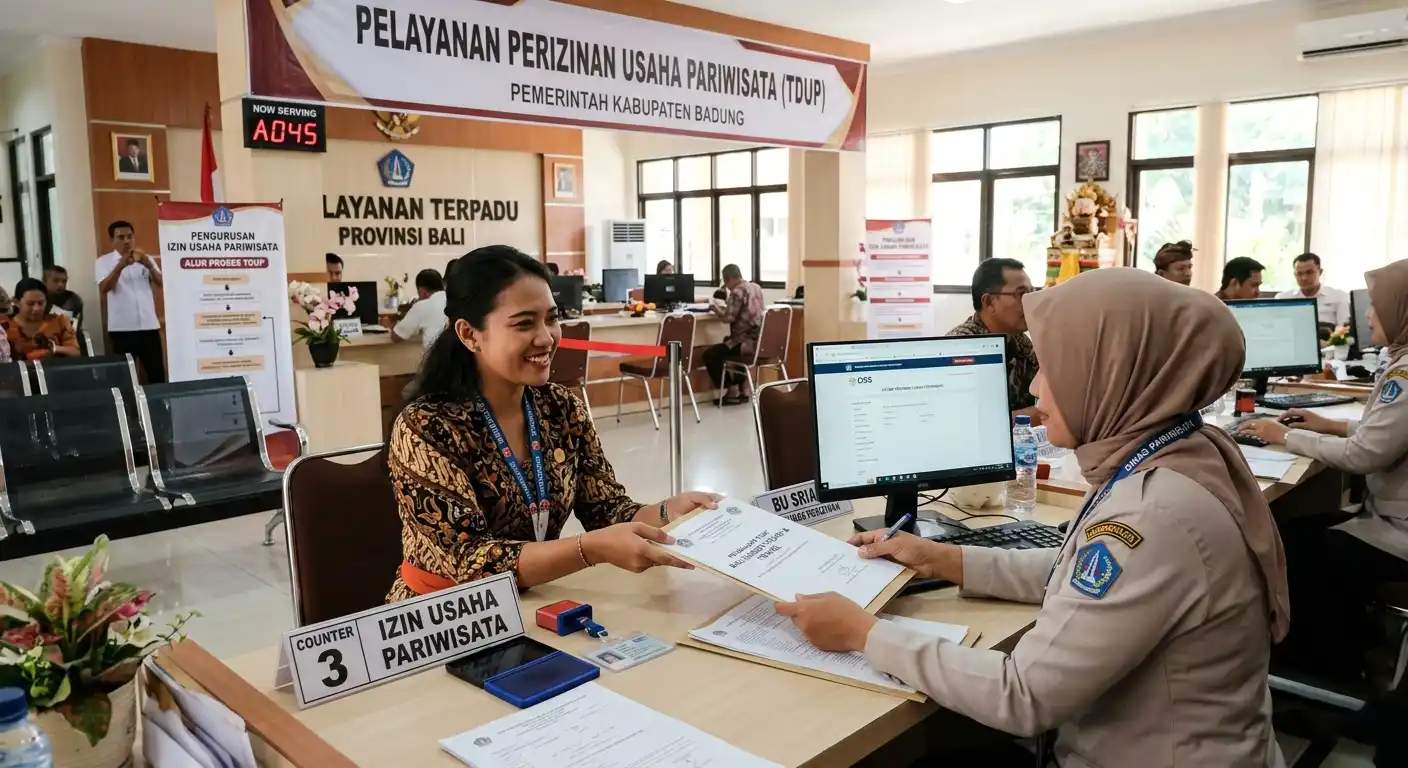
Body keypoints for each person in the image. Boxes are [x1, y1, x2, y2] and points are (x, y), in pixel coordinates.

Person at [776, 269, 1290, 768]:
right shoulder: (1175, 452)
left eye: (1055, 366)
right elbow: (1078, 574)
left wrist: (862, 633)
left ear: (1113, 373)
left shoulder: (1153, 514)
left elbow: (1022, 694)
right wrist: (946, 559)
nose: (1037, 388)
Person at [386, 245, 719, 601]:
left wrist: (668, 512)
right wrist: (589, 549)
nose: (546, 337)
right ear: (469, 334)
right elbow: (469, 560)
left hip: (534, 599)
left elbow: (606, 509)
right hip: (448, 612)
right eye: (524, 323)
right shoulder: (427, 426)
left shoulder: (560, 407)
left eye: (551, 318)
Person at [1236, 259, 1408, 767]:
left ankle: (1321, 671)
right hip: (1392, 516)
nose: (1368, 318)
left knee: (1294, 548)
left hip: (1398, 533)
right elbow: (1384, 433)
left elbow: (1366, 454)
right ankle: (1341, 649)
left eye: (1376, 308)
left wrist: (1285, 435)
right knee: (1299, 531)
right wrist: (1327, 426)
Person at [948, 258, 1040, 418]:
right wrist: (1039, 414)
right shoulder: (959, 347)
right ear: (989, 302)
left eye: (1032, 293)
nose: (1030, 301)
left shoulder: (1021, 343)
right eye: (1021, 294)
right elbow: (968, 421)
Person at [96, 220, 165, 383]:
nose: (126, 241)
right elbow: (104, 288)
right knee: (124, 378)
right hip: (122, 329)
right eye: (120, 237)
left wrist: (148, 265)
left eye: (129, 236)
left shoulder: (146, 259)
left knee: (157, 375)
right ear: (112, 240)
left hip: (149, 326)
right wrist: (120, 266)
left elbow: (162, 283)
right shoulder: (103, 262)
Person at [703, 263, 765, 406]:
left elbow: (728, 318)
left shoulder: (737, 292)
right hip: (758, 341)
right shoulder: (755, 287)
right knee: (727, 343)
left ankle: (731, 390)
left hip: (744, 343)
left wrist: (715, 308)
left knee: (710, 355)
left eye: (725, 282)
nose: (726, 286)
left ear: (728, 278)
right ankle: (744, 390)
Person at [3, 278, 79, 360]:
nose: (36, 308)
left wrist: (55, 348)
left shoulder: (60, 321)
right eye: (30, 303)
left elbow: (76, 352)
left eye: (41, 303)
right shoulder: (4, 327)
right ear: (16, 302)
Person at [1275, 252, 1350, 328]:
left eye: (1309, 272)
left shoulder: (1339, 296)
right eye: (1299, 274)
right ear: (1295, 275)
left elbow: (1344, 327)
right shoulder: (1283, 299)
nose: (1304, 278)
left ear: (1320, 272)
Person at [43, 266, 84, 333]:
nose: (60, 285)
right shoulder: (37, 299)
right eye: (56, 281)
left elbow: (75, 328)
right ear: (44, 281)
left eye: (64, 281)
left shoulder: (74, 300)